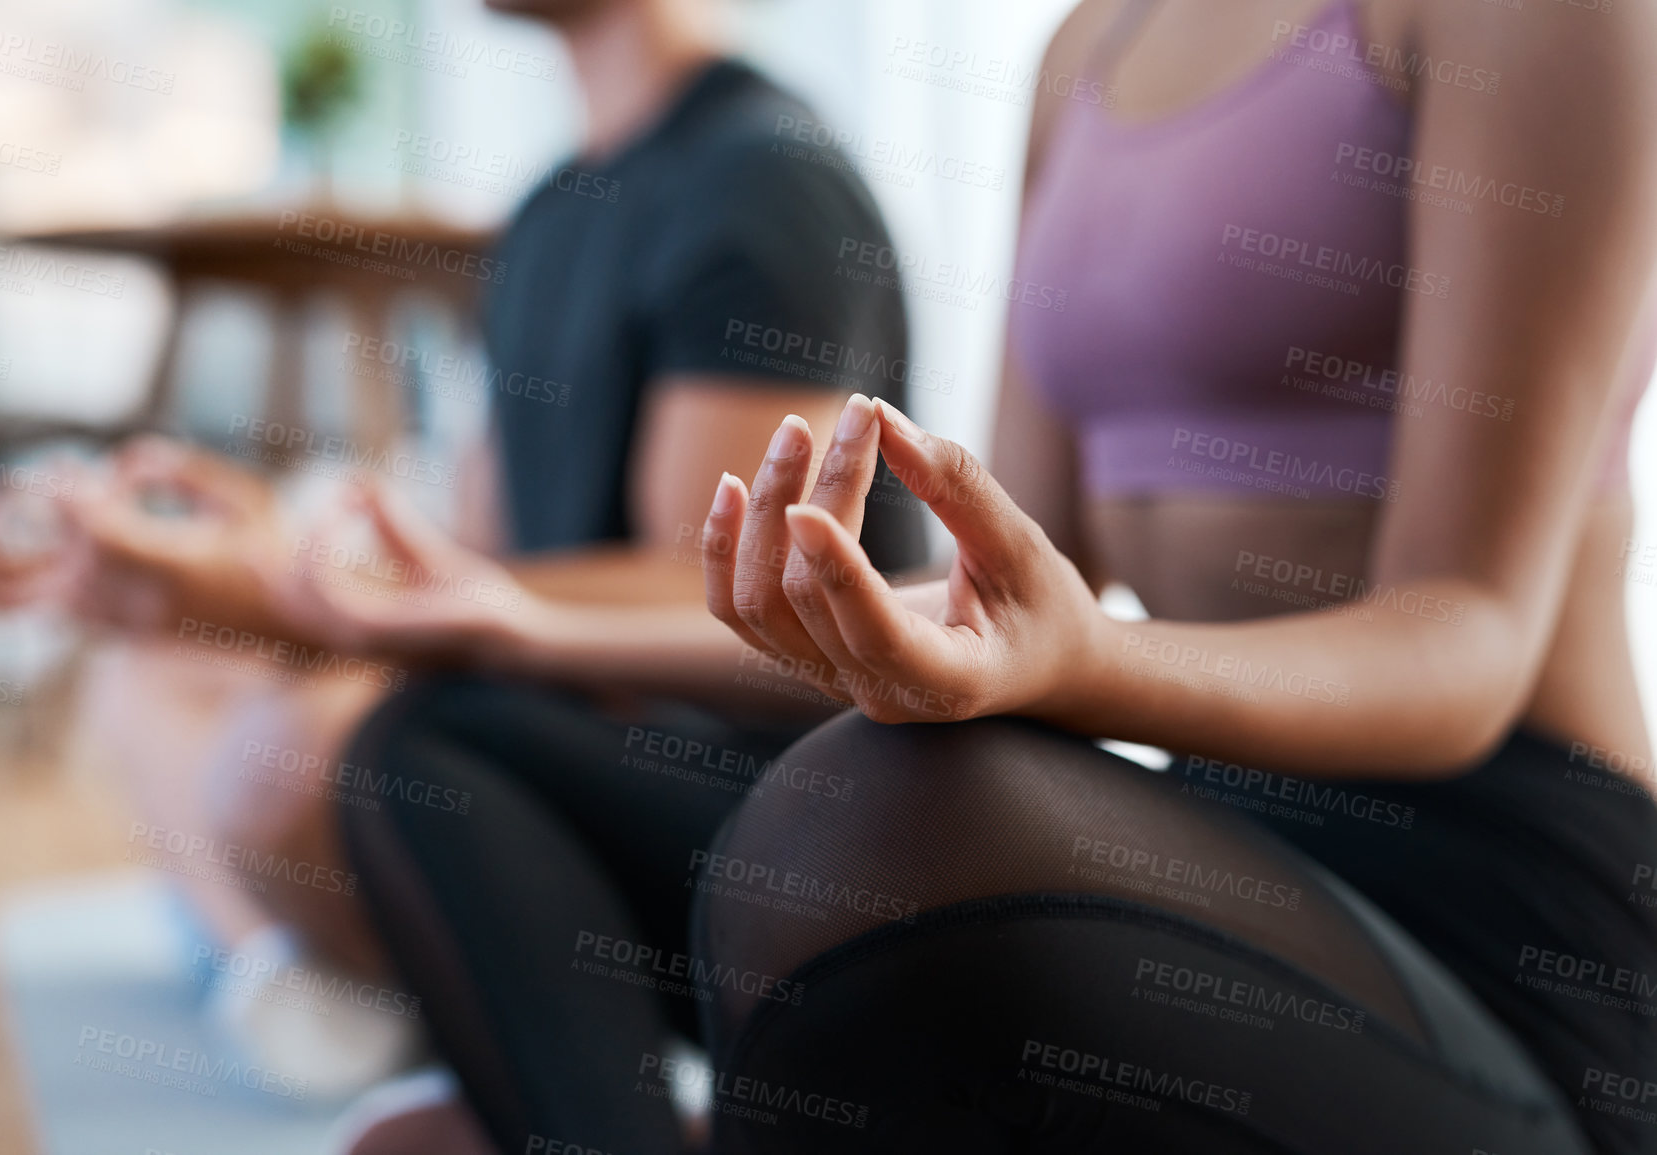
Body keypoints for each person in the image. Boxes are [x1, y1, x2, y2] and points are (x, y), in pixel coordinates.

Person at [693, 0, 1657, 1152]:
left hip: (1508, 902)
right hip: (1238, 837)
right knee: (481, 731)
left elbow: (1470, 639)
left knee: (854, 825)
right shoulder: (1086, 48)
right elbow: (1001, 590)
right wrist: (522, 626)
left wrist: (1086, 660)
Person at [0, 0, 924, 1130]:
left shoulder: (768, 182)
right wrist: (235, 554)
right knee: (153, 666)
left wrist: (278, 590)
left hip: (708, 767)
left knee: (306, 753)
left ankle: (327, 974)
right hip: (548, 693)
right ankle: (306, 980)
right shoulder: (551, 211)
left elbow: (712, 605)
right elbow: (481, 559)